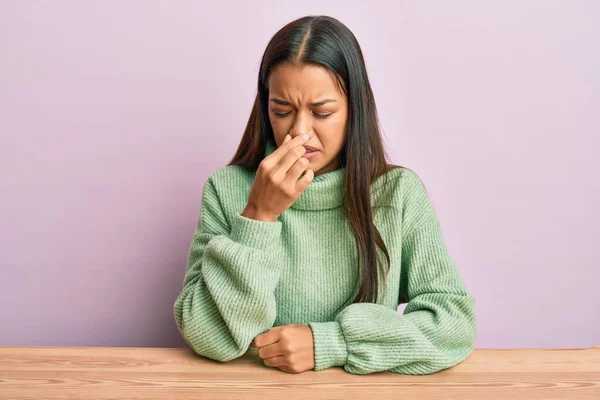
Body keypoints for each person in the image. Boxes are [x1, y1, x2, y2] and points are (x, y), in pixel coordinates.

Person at [173, 15, 476, 375]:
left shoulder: (398, 195)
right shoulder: (227, 190)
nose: (299, 133)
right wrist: (258, 215)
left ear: (356, 106)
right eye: (281, 111)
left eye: (322, 112)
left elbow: (454, 324)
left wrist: (332, 343)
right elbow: (207, 336)